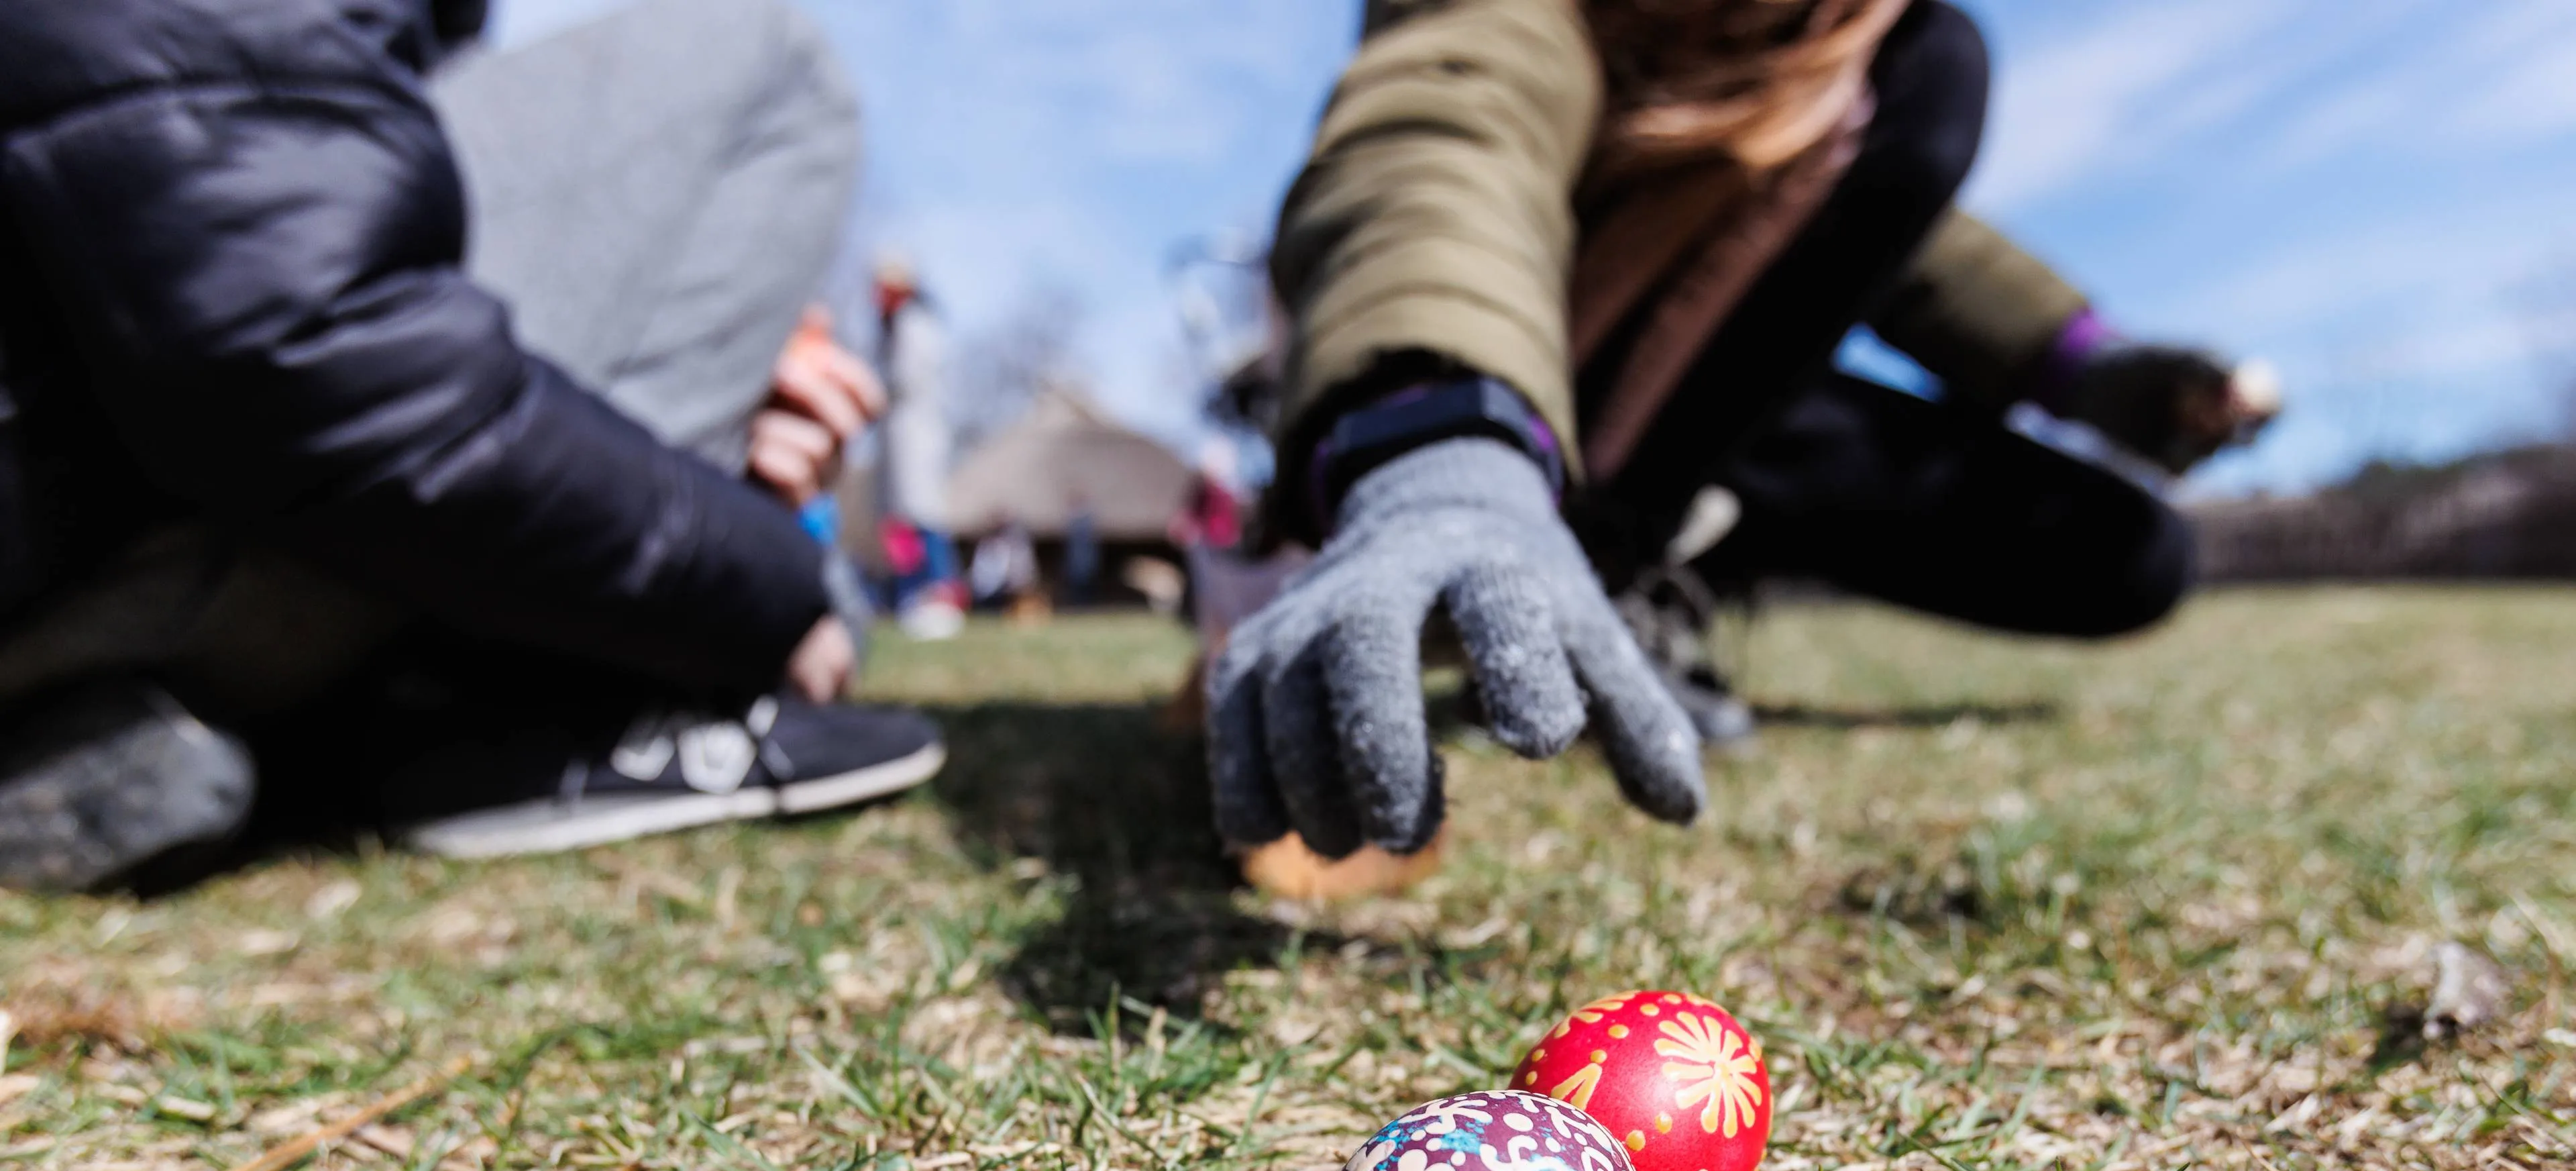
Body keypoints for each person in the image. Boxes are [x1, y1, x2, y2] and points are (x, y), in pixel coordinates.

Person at [1210, 0, 2279, 864]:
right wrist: (1438, 446)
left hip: (1709, 417)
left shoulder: (1843, 62)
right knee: (1934, 65)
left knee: (2128, 555)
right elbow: (1444, 140)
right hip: (1510, 405)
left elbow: (1891, 223)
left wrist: (2091, 368)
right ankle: (1579, 550)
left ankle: (1661, 553)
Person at [0, 0, 943, 890]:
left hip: (78, 516)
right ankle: (525, 711)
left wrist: (718, 345)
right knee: (768, 56)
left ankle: (112, 727)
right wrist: (762, 578)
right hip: (109, 533)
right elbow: (301, 344)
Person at [872, 253, 966, 640]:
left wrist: (877, 390)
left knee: (923, 513)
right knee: (900, 522)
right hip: (896, 432)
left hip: (916, 430)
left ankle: (941, 593)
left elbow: (908, 377)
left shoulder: (917, 323)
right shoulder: (891, 328)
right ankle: (911, 594)